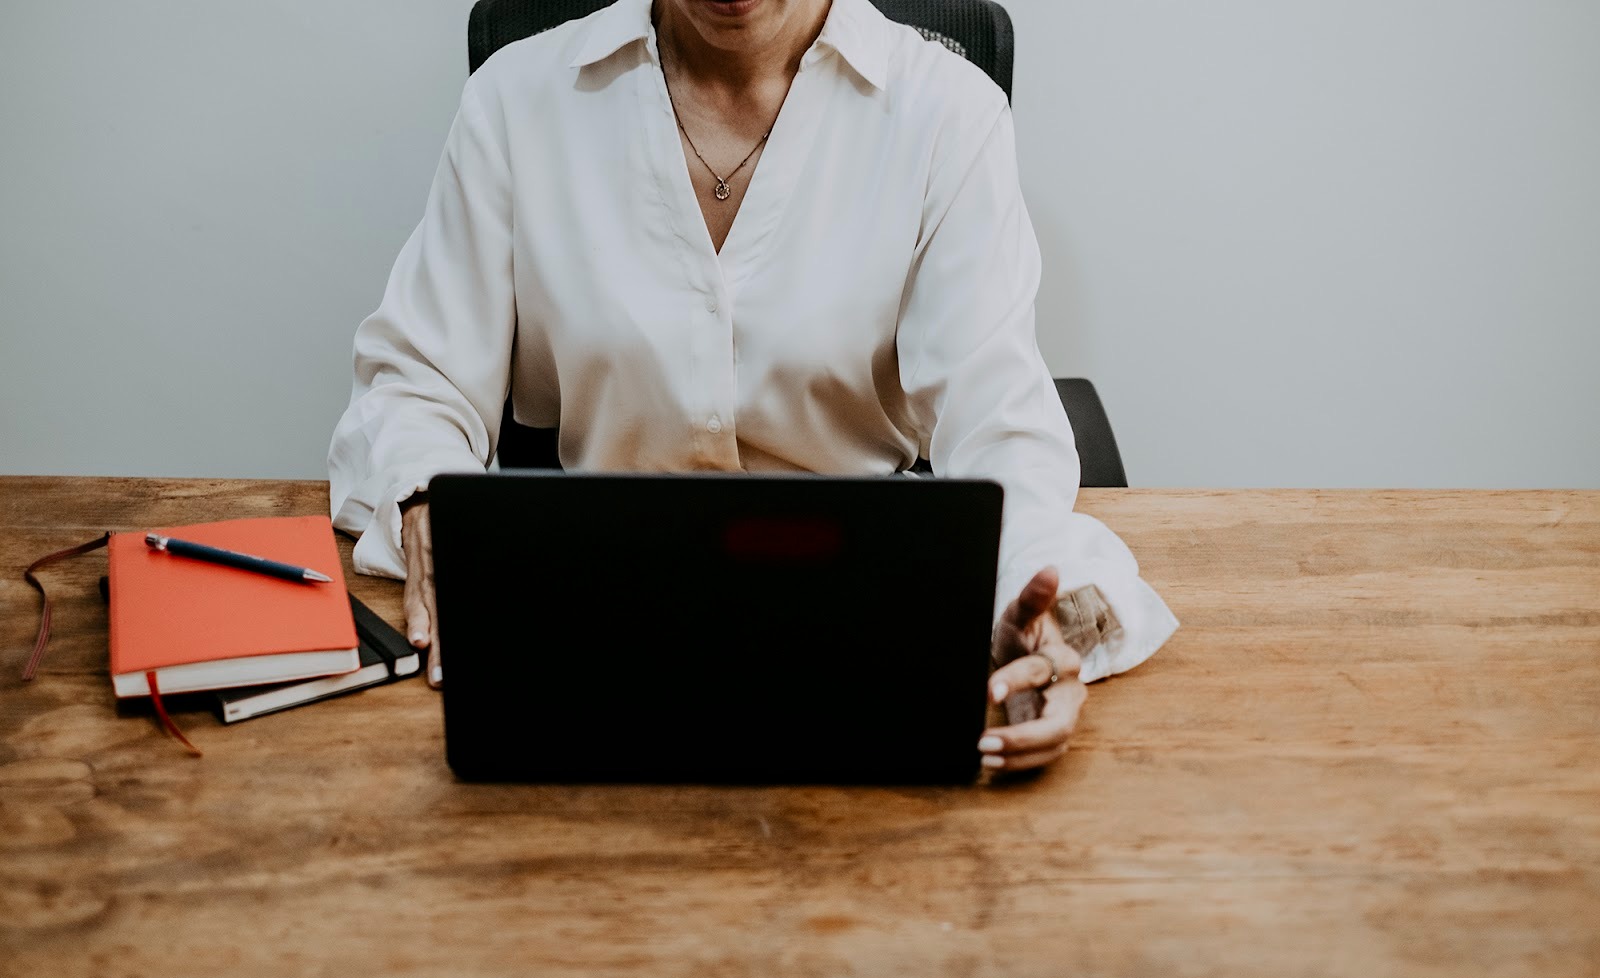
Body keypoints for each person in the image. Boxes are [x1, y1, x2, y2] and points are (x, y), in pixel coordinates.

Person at [328, 0, 1179, 776]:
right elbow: (418, 384)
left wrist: (1043, 617)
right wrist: (422, 494)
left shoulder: (949, 113)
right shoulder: (515, 100)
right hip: (590, 618)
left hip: (867, 625)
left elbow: (1001, 431)